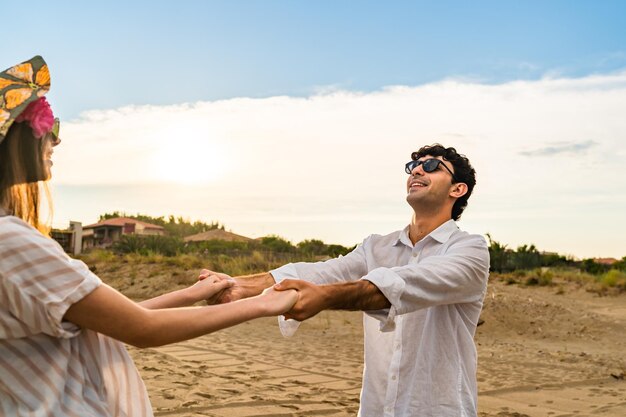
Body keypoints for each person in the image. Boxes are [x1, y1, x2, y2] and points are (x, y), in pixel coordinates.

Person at [0, 56, 298, 417]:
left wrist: (192, 293)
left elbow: (112, 321)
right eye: (48, 123)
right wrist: (265, 303)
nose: (56, 140)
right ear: (15, 138)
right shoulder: (10, 240)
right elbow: (143, 330)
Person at [201, 144, 490, 416]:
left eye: (431, 166)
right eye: (413, 165)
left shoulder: (470, 249)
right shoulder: (376, 246)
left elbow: (402, 284)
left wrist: (326, 297)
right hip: (376, 408)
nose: (417, 170)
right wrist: (241, 286)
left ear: (458, 189)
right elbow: (323, 272)